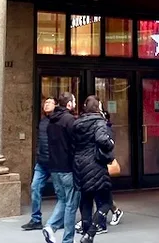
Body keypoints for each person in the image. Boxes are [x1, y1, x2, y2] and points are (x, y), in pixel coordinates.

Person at [73, 96, 115, 243]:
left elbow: (72, 143)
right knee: (106, 202)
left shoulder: (77, 122)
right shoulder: (99, 122)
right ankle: (90, 233)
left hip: (80, 166)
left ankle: (85, 231)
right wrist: (110, 142)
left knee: (86, 201)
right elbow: (102, 139)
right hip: (95, 165)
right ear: (98, 107)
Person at [44, 92, 80, 243]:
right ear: (69, 104)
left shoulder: (51, 121)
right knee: (71, 204)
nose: (76, 103)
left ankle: (51, 227)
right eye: (74, 101)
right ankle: (67, 239)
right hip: (68, 168)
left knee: (62, 200)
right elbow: (75, 143)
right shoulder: (69, 120)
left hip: (54, 167)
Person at [23, 97, 56, 231]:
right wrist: (38, 153)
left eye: (50, 102)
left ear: (56, 105)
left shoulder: (58, 121)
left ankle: (59, 219)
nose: (46, 104)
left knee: (62, 193)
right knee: (35, 187)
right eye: (45, 102)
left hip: (55, 163)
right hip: (42, 163)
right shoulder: (42, 121)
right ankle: (36, 219)